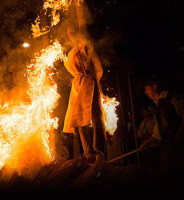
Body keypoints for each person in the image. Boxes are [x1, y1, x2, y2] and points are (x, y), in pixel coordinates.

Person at [63, 1, 106, 165]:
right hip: (78, 85)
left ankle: (98, 150)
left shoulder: (85, 46)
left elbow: (82, 25)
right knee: (77, 119)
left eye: (72, 33)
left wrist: (78, 7)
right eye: (69, 33)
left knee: (95, 116)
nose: (70, 35)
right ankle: (88, 152)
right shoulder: (72, 52)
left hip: (90, 82)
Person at [140, 78, 184, 183]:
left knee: (182, 174)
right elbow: (158, 132)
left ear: (154, 87)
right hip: (167, 146)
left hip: (180, 146)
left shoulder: (171, 98)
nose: (146, 93)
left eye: (147, 89)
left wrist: (179, 134)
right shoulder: (156, 106)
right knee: (166, 174)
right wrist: (146, 143)